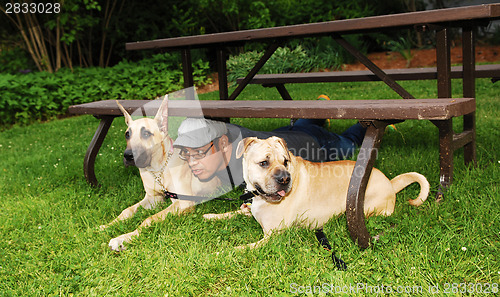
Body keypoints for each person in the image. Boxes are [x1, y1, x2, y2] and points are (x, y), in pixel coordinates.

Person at [173, 117, 366, 190]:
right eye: (186, 154)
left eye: (198, 153)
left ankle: (368, 125)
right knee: (296, 127)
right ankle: (316, 112)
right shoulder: (217, 135)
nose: (191, 162)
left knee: (349, 143)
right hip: (281, 135)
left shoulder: (247, 156)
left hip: (315, 145)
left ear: (223, 143)